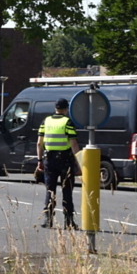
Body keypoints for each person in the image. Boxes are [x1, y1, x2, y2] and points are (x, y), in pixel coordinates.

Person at [37, 98, 81, 229]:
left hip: (49, 160)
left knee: (50, 190)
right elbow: (73, 144)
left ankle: (47, 219)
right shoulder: (68, 122)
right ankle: (69, 221)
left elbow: (39, 143)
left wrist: (39, 161)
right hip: (65, 161)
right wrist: (78, 163)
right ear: (66, 109)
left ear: (55, 108)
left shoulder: (46, 121)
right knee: (67, 190)